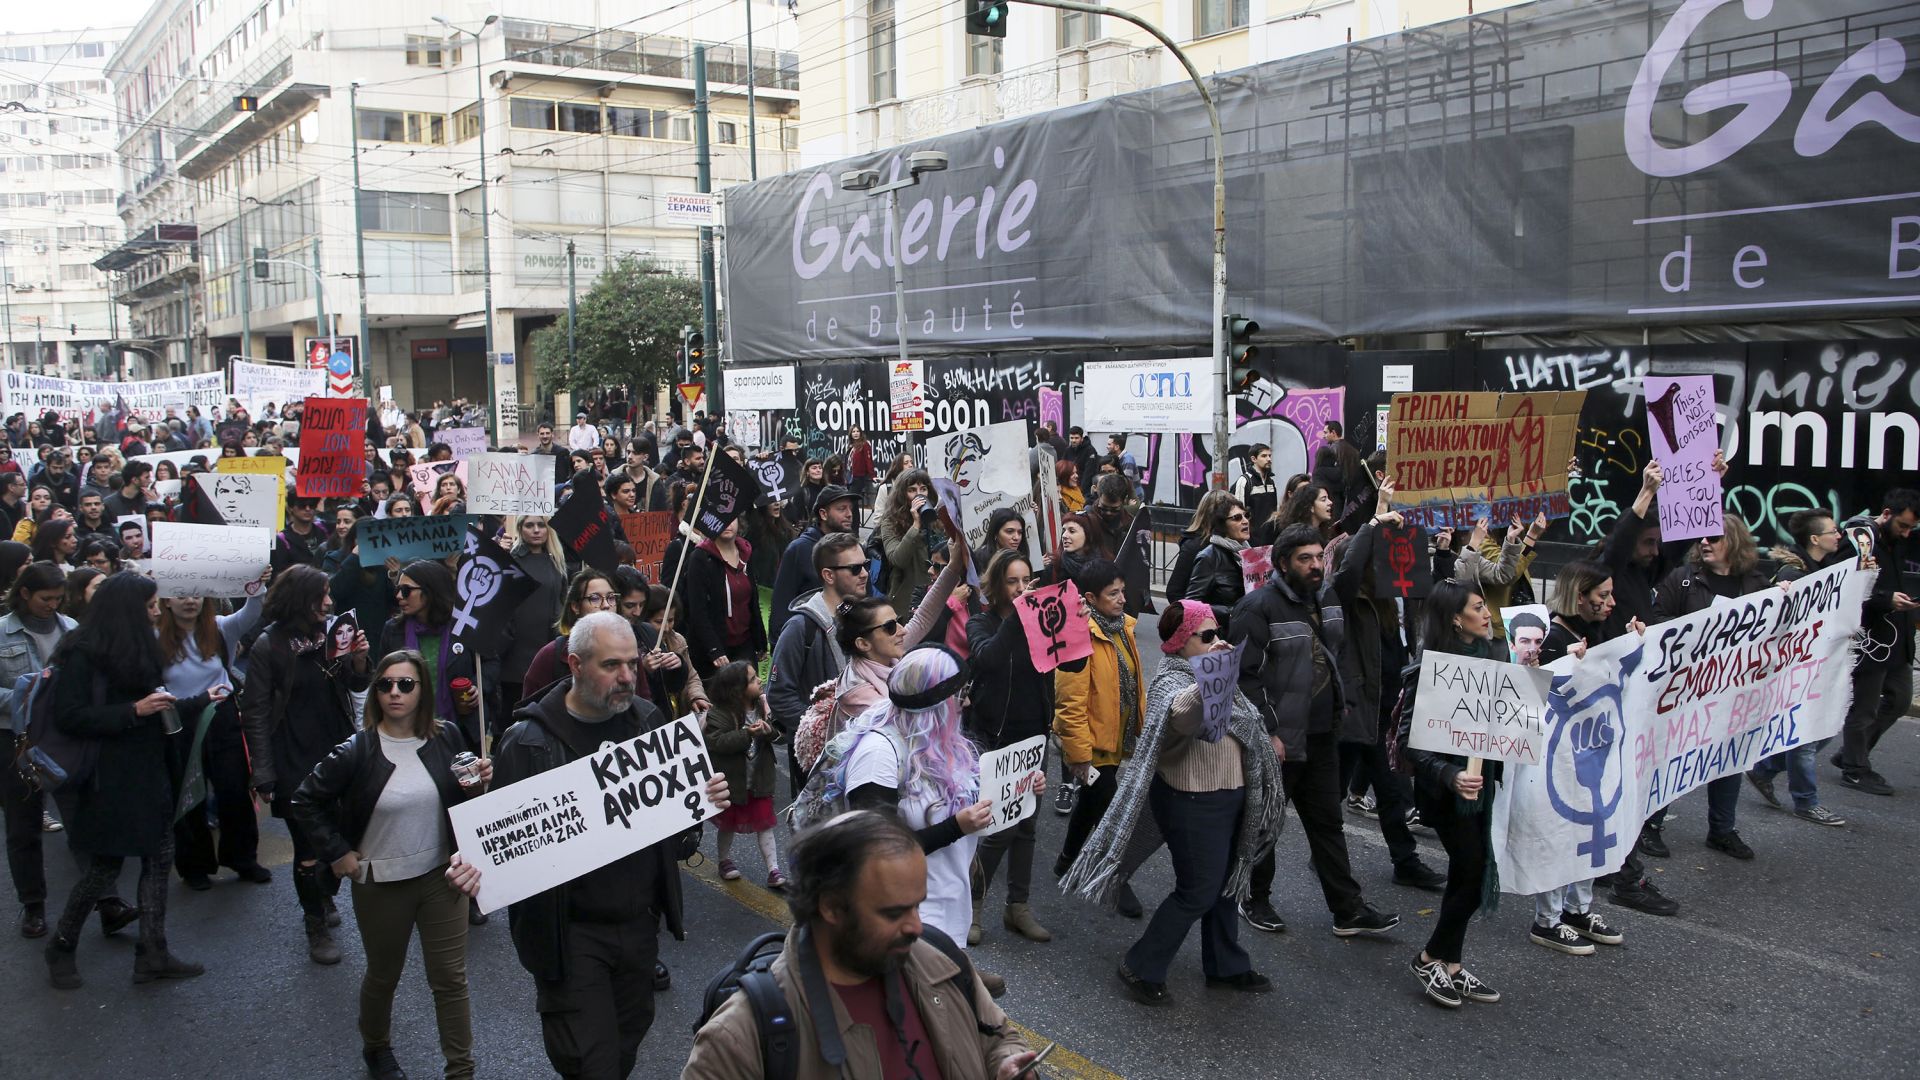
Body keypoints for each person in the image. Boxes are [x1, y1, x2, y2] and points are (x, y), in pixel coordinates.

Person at [446, 612, 729, 1080]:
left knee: (625, 1044)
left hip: (639, 927)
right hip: (569, 933)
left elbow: (670, 837)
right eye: (611, 665)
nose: (626, 678)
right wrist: (473, 866)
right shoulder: (528, 742)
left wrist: (698, 805)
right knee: (587, 1061)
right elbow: (502, 841)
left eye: (632, 665)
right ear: (575, 664)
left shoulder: (649, 720)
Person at [683, 810, 1036, 1078]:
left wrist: (1007, 1062)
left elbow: (998, 1035)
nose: (915, 926)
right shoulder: (738, 1038)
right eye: (893, 912)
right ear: (832, 907)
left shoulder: (941, 960)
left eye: (917, 905)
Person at [1066, 601, 1284, 1005]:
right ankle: (1141, 965)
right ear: (1181, 643)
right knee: (1198, 890)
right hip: (1191, 801)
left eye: (1219, 633)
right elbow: (1183, 717)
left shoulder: (1219, 677)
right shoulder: (1173, 681)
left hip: (1229, 798)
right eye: (1207, 636)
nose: (1217, 642)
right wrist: (1209, 681)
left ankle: (1225, 965)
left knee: (1224, 887)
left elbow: (1246, 723)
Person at [289, 650, 490, 1080]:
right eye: (385, 684)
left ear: (423, 691)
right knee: (384, 975)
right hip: (381, 882)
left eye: (405, 684)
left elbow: (467, 797)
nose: (394, 693)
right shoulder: (357, 749)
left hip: (443, 878)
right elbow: (305, 799)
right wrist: (339, 852)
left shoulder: (449, 736)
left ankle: (461, 1069)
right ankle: (376, 1047)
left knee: (451, 980)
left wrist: (479, 783)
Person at [43, 574, 223, 990]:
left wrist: (191, 704)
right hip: (108, 777)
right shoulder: (82, 652)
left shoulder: (140, 644)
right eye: (149, 606)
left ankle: (152, 952)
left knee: (159, 856)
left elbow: (153, 704)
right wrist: (134, 711)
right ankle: (62, 944)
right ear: (127, 610)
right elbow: (70, 716)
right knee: (105, 866)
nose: (157, 611)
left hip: (150, 768)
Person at [1230, 523, 1399, 938]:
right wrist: (1268, 731)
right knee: (1265, 823)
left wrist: (1374, 525)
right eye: (1304, 559)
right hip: (1280, 742)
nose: (1314, 566)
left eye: (1319, 557)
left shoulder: (1328, 599)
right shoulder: (1258, 608)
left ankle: (1348, 910)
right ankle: (1254, 897)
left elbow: (1353, 573)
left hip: (1324, 736)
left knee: (1328, 824)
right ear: (1283, 563)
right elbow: (1242, 678)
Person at [243, 564, 373, 964]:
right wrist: (263, 771)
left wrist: (359, 660)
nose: (330, 602)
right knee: (307, 846)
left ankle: (324, 891)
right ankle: (315, 923)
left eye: (330, 594)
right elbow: (256, 712)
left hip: (336, 751)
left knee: (340, 836)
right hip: (292, 756)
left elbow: (355, 685)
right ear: (301, 599)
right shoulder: (270, 646)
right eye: (322, 595)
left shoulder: (334, 633)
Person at [1396, 580, 1506, 1009]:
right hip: (1445, 791)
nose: (1487, 614)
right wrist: (1449, 774)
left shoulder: (1493, 655)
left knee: (1468, 873)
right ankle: (1428, 958)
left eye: (1485, 607)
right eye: (1479, 608)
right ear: (1456, 619)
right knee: (1473, 871)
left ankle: (1452, 965)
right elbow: (1409, 740)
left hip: (1482, 786)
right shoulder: (1431, 668)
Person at [1652, 514, 1771, 860]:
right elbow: (1657, 617)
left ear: (1734, 543)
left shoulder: (1757, 584)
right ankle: (1652, 826)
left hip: (1734, 690)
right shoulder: (1683, 579)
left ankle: (1722, 830)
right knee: (1673, 758)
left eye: (1714, 538)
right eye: (1701, 538)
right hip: (1687, 688)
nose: (1704, 543)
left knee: (1729, 759)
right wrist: (1697, 634)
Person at [965, 550, 1057, 947]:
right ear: (997, 585)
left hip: (1033, 734)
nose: (1021, 589)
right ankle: (971, 905)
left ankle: (1017, 906)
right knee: (999, 826)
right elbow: (987, 658)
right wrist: (1020, 618)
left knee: (1028, 823)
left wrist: (1071, 626)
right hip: (996, 737)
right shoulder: (980, 622)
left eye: (1026, 581)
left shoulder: (1038, 617)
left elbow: (1067, 665)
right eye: (1012, 582)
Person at [158, 585, 270, 890]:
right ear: (166, 599)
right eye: (181, 594)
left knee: (234, 790)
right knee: (188, 797)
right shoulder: (154, 637)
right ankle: (194, 866)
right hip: (180, 720)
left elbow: (253, 611)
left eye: (196, 594)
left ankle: (243, 858)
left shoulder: (220, 628)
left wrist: (255, 584)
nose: (190, 600)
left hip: (221, 718)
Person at [1051, 560, 1146, 917]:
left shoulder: (1123, 627)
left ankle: (1067, 859)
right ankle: (1116, 879)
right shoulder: (1076, 635)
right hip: (1090, 746)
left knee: (1091, 803)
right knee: (1112, 812)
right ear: (1090, 598)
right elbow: (1069, 703)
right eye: (1113, 594)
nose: (1122, 599)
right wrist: (1078, 755)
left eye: (1122, 591)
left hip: (1113, 737)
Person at [1745, 509, 1850, 825]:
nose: (1839, 536)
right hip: (1795, 669)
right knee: (1805, 733)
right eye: (1834, 531)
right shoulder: (1794, 574)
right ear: (1816, 539)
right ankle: (1806, 802)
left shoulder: (1823, 569)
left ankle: (1763, 769)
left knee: (1824, 729)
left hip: (1817, 665)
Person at [1836, 487, 1920, 796]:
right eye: (1903, 526)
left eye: (1912, 528)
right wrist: (1886, 600)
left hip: (1897, 637)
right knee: (1865, 707)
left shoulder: (1895, 541)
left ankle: (1850, 754)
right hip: (1870, 637)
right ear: (1886, 515)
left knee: (1899, 699)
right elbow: (1843, 586)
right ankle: (1855, 769)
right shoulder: (1860, 540)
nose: (1907, 534)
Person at [769, 533, 868, 792]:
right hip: (819, 764)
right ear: (828, 575)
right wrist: (824, 732)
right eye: (855, 568)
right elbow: (779, 695)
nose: (865, 573)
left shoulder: (862, 617)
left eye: (865, 565)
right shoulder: (800, 627)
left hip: (862, 753)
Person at [376, 559, 483, 750]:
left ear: (430, 591)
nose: (399, 596)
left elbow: (489, 663)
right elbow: (380, 678)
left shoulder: (463, 626)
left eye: (407, 590)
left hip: (458, 730)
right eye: (398, 590)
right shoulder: (392, 630)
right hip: (406, 732)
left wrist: (477, 687)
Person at [702, 661, 785, 888]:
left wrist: (769, 732)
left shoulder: (764, 706)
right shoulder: (719, 713)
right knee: (728, 823)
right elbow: (716, 742)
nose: (759, 680)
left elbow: (782, 734)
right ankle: (724, 860)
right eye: (751, 679)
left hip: (759, 779)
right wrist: (746, 733)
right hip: (733, 781)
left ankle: (774, 869)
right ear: (736, 689)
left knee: (765, 824)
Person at [769, 484, 858, 641]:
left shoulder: (854, 548)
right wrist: (780, 644)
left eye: (850, 508)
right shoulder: (799, 549)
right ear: (823, 514)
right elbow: (782, 603)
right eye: (841, 509)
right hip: (810, 642)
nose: (849, 514)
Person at [502, 515, 568, 720]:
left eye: (541, 525)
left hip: (549, 643)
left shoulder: (556, 560)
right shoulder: (511, 560)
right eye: (530, 525)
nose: (536, 530)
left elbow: (563, 601)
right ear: (520, 529)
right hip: (517, 650)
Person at [682, 517, 766, 678]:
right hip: (716, 649)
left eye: (731, 518)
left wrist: (759, 640)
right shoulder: (700, 558)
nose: (727, 524)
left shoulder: (746, 553)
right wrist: (714, 648)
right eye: (721, 519)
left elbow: (752, 601)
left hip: (744, 642)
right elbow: (697, 610)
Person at [1181, 496, 1251, 624]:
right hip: (1221, 636)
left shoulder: (1249, 554)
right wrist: (1232, 612)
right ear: (1222, 525)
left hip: (1247, 633)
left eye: (1246, 515)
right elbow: (1192, 605)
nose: (1245, 521)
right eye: (1237, 518)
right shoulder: (1208, 558)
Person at [1230, 444, 1279, 526]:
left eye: (1269, 456)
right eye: (1264, 456)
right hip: (1252, 536)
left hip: (1269, 535)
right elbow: (1238, 512)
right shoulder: (1244, 481)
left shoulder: (1271, 481)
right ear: (1254, 459)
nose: (1269, 459)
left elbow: (1274, 509)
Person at [971, 507, 1026, 575]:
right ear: (995, 533)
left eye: (1020, 532)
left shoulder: (1021, 556)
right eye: (1009, 531)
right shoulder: (980, 558)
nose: (1016, 537)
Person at [846, 425, 876, 508]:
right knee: (852, 501)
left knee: (852, 500)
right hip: (850, 476)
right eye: (853, 431)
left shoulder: (865, 444)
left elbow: (868, 460)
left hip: (859, 477)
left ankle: (855, 520)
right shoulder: (851, 445)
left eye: (857, 431)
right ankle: (854, 520)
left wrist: (872, 475)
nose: (856, 433)